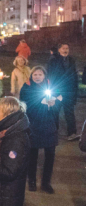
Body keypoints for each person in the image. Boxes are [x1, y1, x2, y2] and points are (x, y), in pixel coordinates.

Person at [20, 66, 59, 194]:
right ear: (31, 75)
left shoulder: (50, 86)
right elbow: (24, 104)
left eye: (40, 74)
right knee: (33, 154)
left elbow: (59, 100)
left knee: (50, 154)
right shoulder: (26, 87)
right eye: (35, 74)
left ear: (44, 76)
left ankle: (46, 182)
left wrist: (54, 104)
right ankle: (31, 180)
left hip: (49, 124)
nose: (37, 77)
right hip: (33, 124)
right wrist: (40, 102)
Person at [47, 43, 79, 140]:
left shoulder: (71, 60)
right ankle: (53, 133)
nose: (66, 50)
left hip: (69, 92)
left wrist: (74, 91)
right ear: (59, 50)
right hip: (57, 90)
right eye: (63, 48)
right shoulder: (54, 60)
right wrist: (55, 91)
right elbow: (51, 76)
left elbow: (74, 76)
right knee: (55, 113)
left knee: (69, 113)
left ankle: (72, 133)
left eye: (67, 48)